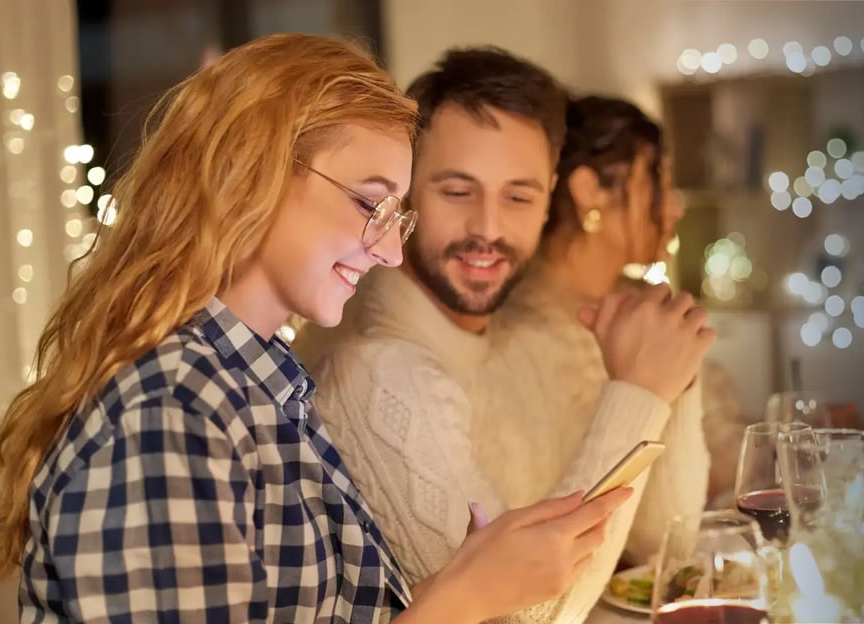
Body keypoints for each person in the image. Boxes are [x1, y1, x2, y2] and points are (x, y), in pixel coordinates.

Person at [0, 34, 633, 624]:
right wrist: (462, 600)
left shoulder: (262, 393)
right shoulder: (171, 415)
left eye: (397, 217)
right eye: (371, 204)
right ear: (250, 172)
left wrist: (470, 578)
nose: (390, 253)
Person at [293, 49, 715, 623]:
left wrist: (675, 379)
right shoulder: (371, 374)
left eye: (518, 196)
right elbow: (524, 615)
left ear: (549, 198)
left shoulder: (522, 341)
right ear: (407, 191)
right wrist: (639, 392)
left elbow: (663, 547)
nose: (488, 229)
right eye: (457, 192)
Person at [494, 95, 747, 516]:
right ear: (588, 190)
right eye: (656, 183)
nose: (674, 207)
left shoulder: (648, 305)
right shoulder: (522, 330)